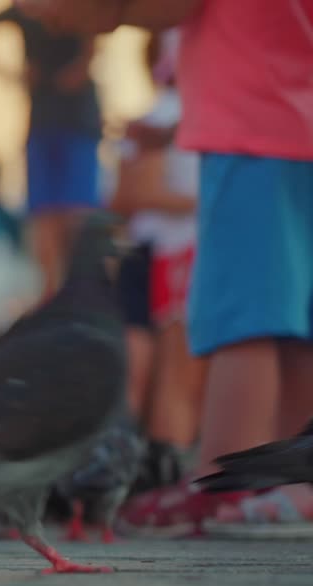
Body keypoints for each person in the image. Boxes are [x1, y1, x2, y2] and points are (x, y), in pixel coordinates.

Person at [18, 0, 313, 529]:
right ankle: (308, 482)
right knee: (308, 336)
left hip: (249, 145)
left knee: (245, 326)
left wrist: (81, 12)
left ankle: (222, 484)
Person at [108, 30, 203, 449]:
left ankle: (152, 471)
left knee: (169, 376)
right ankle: (159, 472)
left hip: (172, 254)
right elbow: (130, 195)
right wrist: (204, 203)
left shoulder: (171, 113)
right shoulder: (167, 114)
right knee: (170, 376)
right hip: (170, 254)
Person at [0, 4, 102, 299]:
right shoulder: (25, 9)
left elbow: (98, 30)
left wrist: (78, 68)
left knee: (74, 216)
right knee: (47, 217)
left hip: (76, 122)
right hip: (45, 123)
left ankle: (79, 291)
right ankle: (54, 296)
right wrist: (9, 74)